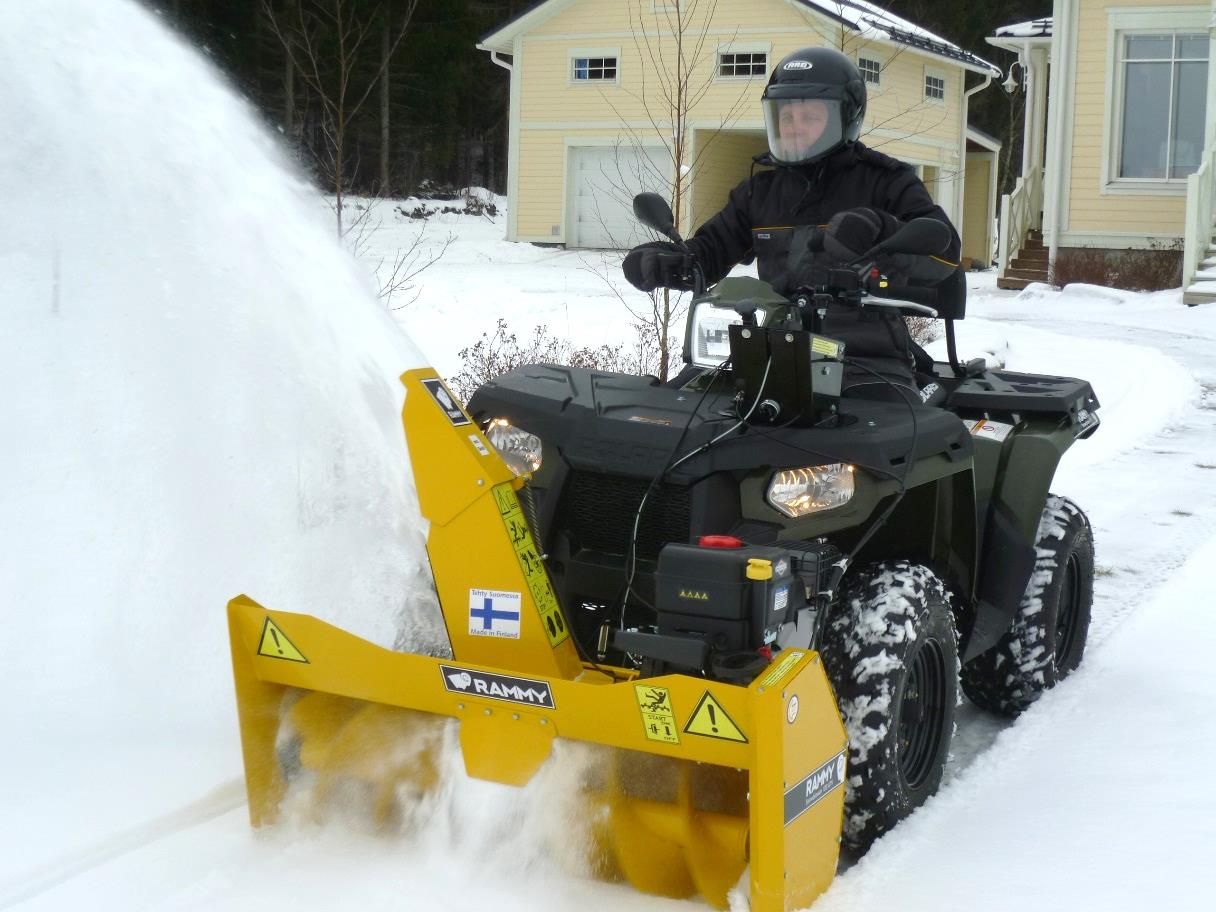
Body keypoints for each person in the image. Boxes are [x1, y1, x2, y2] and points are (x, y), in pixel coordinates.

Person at [623, 46, 964, 396]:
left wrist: (882, 230)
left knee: (881, 433)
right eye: (786, 117)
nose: (795, 128)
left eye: (810, 118)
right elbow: (710, 253)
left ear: (845, 118)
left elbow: (944, 252)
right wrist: (673, 263)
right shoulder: (760, 192)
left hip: (864, 354)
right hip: (770, 346)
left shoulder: (886, 181)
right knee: (675, 410)